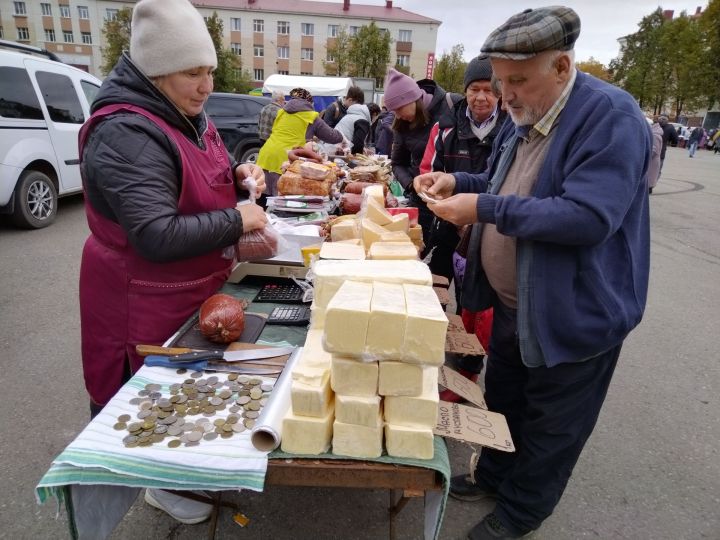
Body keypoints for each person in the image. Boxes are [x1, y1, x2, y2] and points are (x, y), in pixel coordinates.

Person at [414, 6, 651, 539]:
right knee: (506, 400)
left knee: (553, 426)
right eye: (500, 82)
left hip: (575, 313)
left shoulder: (611, 116)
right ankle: (495, 476)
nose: (507, 94)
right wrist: (459, 180)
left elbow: (589, 216)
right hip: (516, 304)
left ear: (562, 67)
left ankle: (521, 514)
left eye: (518, 80)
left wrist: (483, 208)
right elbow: (507, 183)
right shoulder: (524, 116)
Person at [78, 0, 268, 524]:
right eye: (193, 72)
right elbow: (156, 234)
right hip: (138, 295)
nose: (206, 85)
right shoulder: (125, 132)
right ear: (156, 71)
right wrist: (238, 219)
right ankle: (158, 485)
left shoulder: (187, 114)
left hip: (188, 288)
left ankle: (181, 472)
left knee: (190, 392)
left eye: (209, 71)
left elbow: (207, 172)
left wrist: (240, 174)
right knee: (147, 398)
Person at [418, 55, 508, 401]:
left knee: (475, 306)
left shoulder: (509, 130)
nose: (481, 97)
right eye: (474, 89)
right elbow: (430, 172)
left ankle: (468, 372)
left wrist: (473, 210)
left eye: (488, 89)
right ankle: (430, 357)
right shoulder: (446, 129)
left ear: (497, 93)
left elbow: (496, 184)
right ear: (465, 92)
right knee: (437, 294)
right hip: (446, 230)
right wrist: (430, 190)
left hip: (487, 234)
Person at [383, 67, 460, 257]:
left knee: (451, 258)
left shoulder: (453, 105)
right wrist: (411, 184)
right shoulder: (401, 125)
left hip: (457, 196)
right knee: (420, 254)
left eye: (400, 108)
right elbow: (397, 163)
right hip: (423, 201)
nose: (398, 115)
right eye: (394, 111)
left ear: (413, 99)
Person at [256, 87, 343, 196]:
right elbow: (333, 136)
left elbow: (287, 132)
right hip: (285, 161)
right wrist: (342, 136)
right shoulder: (311, 116)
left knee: (263, 201)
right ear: (309, 103)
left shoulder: (282, 112)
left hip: (266, 155)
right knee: (282, 202)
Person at [333, 85, 371, 154]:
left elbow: (357, 146)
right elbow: (357, 145)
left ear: (350, 100)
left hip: (338, 155)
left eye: (345, 98)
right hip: (339, 154)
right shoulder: (358, 117)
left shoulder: (357, 118)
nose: (344, 101)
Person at [647, 119, 664, 193]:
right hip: (652, 162)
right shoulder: (654, 133)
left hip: (652, 162)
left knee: (649, 181)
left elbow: (654, 150)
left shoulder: (654, 135)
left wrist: (644, 155)